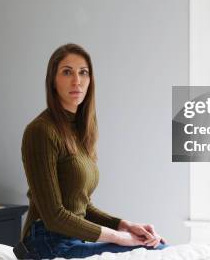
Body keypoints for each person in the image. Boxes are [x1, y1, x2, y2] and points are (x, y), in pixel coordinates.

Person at [15, 43, 167, 260]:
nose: (77, 80)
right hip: (46, 243)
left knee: (157, 247)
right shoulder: (40, 130)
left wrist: (124, 226)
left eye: (83, 72)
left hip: (73, 238)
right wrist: (118, 237)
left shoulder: (79, 131)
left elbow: (81, 205)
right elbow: (54, 216)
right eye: (67, 72)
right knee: (153, 252)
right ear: (53, 81)